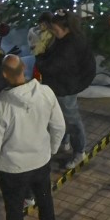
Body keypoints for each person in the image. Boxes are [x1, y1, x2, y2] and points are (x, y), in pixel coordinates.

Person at [0, 54, 64, 220]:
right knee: (45, 201)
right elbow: (59, 126)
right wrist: (51, 149)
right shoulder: (46, 93)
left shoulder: (0, 107)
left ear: (4, 75)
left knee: (13, 209)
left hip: (12, 169)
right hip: (40, 162)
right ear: (24, 68)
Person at [35, 9, 93, 163]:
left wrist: (39, 57)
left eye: (56, 29)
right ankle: (64, 141)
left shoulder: (69, 47)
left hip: (65, 87)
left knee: (71, 119)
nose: (53, 32)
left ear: (66, 29)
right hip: (63, 84)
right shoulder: (68, 38)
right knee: (60, 115)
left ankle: (79, 151)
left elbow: (51, 66)